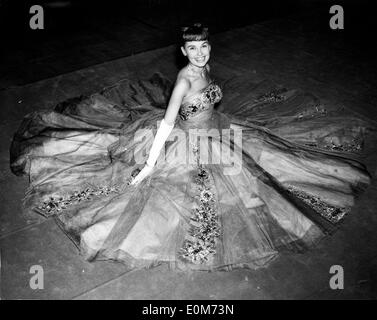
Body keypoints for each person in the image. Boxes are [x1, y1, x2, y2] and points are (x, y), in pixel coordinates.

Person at [10, 23, 376, 271]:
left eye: (204, 47)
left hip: (217, 131)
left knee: (264, 168)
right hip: (181, 139)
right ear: (182, 50)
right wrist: (151, 164)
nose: (199, 54)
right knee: (188, 193)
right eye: (192, 48)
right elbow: (169, 122)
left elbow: (211, 102)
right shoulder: (184, 80)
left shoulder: (206, 66)